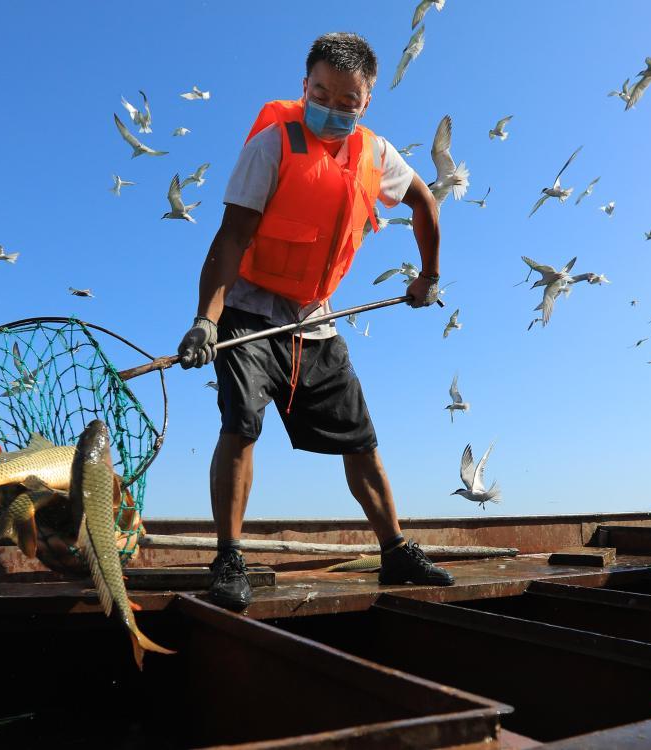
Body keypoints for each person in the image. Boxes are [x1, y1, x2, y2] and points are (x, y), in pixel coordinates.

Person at [177, 32, 452, 612]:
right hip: (249, 307)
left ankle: (395, 550)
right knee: (240, 422)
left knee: (361, 439)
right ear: (305, 87)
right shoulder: (272, 146)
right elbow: (229, 240)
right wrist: (207, 320)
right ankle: (229, 555)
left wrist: (427, 277)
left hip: (315, 318)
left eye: (347, 99)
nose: (331, 105)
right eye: (320, 92)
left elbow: (426, 203)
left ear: (366, 102)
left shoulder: (376, 156)